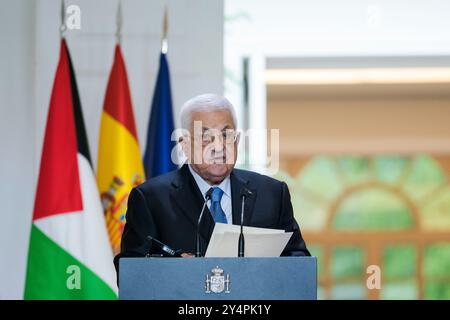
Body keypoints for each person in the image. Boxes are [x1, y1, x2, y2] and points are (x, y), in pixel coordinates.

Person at [114, 94, 310, 275]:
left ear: (237, 140)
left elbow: (300, 264)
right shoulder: (151, 199)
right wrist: (172, 268)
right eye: (205, 136)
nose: (218, 147)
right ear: (185, 145)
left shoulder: (272, 194)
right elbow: (130, 272)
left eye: (226, 135)